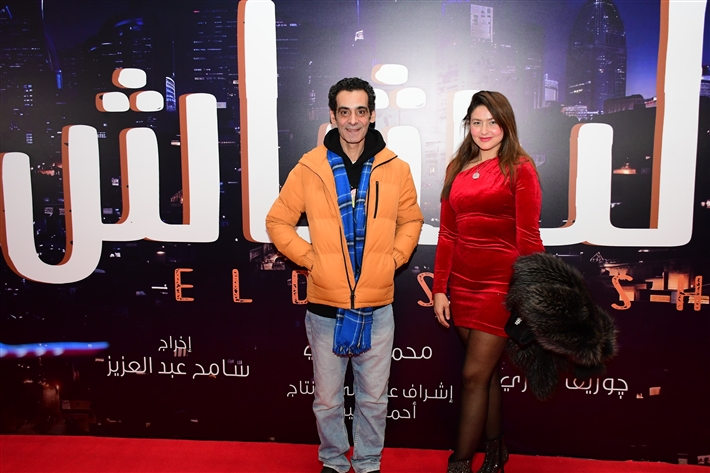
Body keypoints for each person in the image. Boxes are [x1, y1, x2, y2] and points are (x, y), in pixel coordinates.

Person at [266, 77, 424, 473]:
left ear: (372, 116)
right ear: (333, 116)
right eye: (344, 111)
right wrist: (312, 259)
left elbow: (412, 220)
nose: (353, 120)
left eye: (360, 111)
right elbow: (277, 221)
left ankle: (368, 463)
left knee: (374, 399)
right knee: (327, 400)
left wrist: (393, 259)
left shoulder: (396, 168)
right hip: (325, 307)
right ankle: (334, 462)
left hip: (377, 306)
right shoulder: (310, 167)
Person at [432, 91, 544, 473]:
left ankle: (459, 464)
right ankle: (496, 454)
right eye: (477, 122)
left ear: (506, 124)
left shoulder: (520, 168)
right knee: (486, 374)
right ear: (468, 125)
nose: (484, 130)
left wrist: (531, 292)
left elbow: (528, 236)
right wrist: (440, 289)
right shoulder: (457, 168)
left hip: (501, 286)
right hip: (462, 285)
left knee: (472, 376)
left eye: (492, 122)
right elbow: (447, 234)